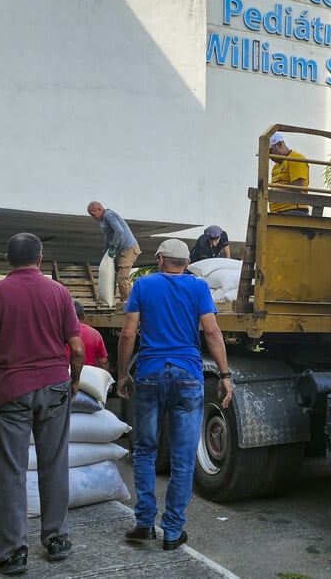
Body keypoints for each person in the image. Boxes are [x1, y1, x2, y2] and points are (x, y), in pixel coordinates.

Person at [0, 233, 85, 574]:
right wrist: (73, 381)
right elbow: (76, 348)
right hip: (54, 386)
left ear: (7, 259)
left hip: (12, 390)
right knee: (53, 464)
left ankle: (12, 552)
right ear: (41, 258)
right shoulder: (59, 292)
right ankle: (57, 540)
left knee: (12, 471)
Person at [117, 238, 234, 551]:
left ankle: (144, 524)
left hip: (150, 374)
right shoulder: (198, 288)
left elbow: (129, 333)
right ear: (185, 263)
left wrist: (122, 373)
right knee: (183, 458)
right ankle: (172, 531)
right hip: (188, 377)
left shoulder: (143, 286)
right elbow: (211, 332)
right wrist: (224, 375)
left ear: (159, 259)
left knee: (144, 450)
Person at [86, 201, 141, 302]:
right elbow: (108, 235)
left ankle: (126, 303)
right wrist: (106, 248)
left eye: (93, 215)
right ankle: (129, 299)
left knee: (122, 277)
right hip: (122, 250)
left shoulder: (109, 215)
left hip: (129, 248)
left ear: (99, 209)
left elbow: (119, 231)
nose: (93, 218)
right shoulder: (103, 220)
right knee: (115, 275)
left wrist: (113, 246)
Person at [268, 132, 309, 215]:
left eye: (270, 151)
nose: (269, 156)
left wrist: (273, 193)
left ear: (279, 144)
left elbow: (298, 188)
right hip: (277, 212)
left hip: (294, 211)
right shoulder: (276, 167)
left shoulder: (296, 158)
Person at [71, 300, 110, 374]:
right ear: (83, 316)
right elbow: (103, 361)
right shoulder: (95, 334)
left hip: (68, 376)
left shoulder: (60, 333)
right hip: (90, 378)